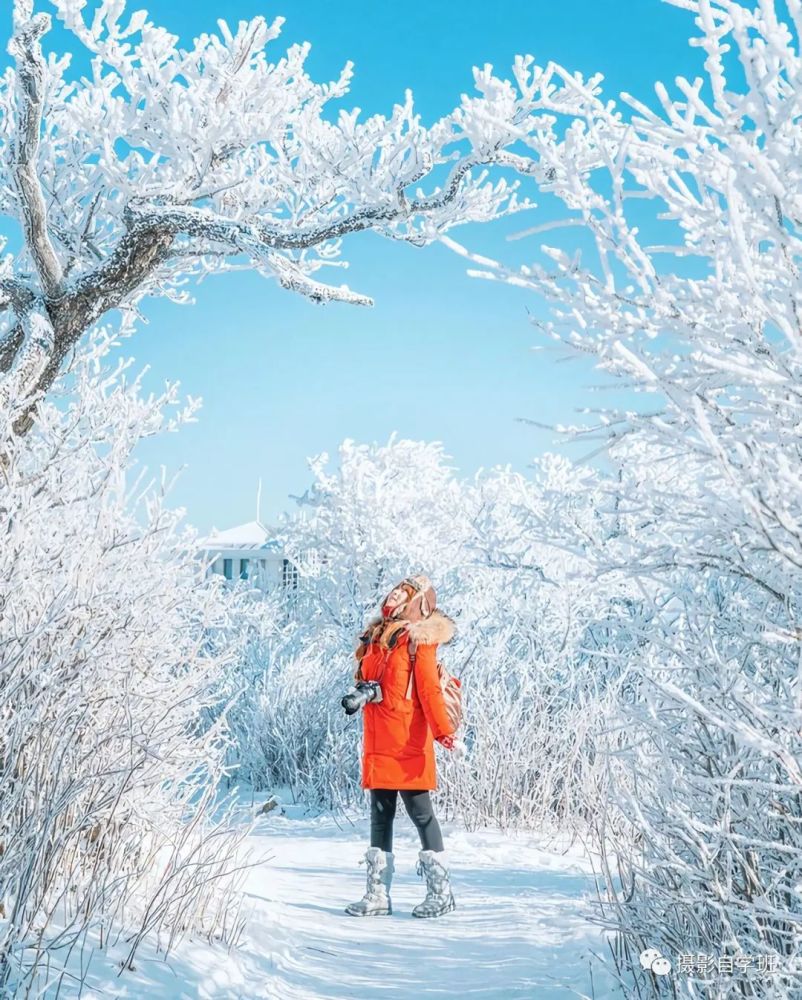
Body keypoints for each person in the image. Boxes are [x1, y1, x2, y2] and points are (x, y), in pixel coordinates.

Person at [344, 574, 458, 919]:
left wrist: (443, 731)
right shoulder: (375, 637)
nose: (393, 595)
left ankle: (441, 894)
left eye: (402, 593)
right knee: (380, 816)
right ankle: (377, 894)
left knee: (421, 813)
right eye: (393, 590)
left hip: (409, 740)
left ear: (416, 604)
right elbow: (370, 682)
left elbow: (429, 690)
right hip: (378, 740)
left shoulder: (418, 641)